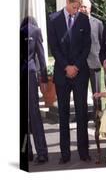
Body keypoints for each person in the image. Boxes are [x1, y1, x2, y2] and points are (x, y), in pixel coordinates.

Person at [48, 0, 91, 164]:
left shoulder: (84, 19)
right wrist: (66, 66)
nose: (75, 11)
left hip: (80, 74)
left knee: (82, 114)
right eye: (74, 7)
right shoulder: (53, 19)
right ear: (67, 1)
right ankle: (64, 154)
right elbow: (54, 47)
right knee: (63, 115)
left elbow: (87, 46)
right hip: (62, 74)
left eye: (78, 7)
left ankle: (84, 153)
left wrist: (76, 66)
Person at [20, 16, 48, 164]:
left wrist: (43, 78)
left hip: (27, 75)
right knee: (32, 115)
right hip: (28, 75)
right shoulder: (34, 31)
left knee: (30, 114)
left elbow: (41, 56)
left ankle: (34, 151)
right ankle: (36, 152)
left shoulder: (32, 31)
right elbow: (41, 56)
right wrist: (43, 79)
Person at [80, 0, 103, 119]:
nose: (83, 8)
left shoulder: (98, 24)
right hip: (81, 65)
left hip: (95, 64)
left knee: (97, 94)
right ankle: (83, 119)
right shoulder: (75, 23)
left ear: (90, 8)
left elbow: (101, 43)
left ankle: (98, 119)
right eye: (81, 6)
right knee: (81, 94)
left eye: (85, 6)